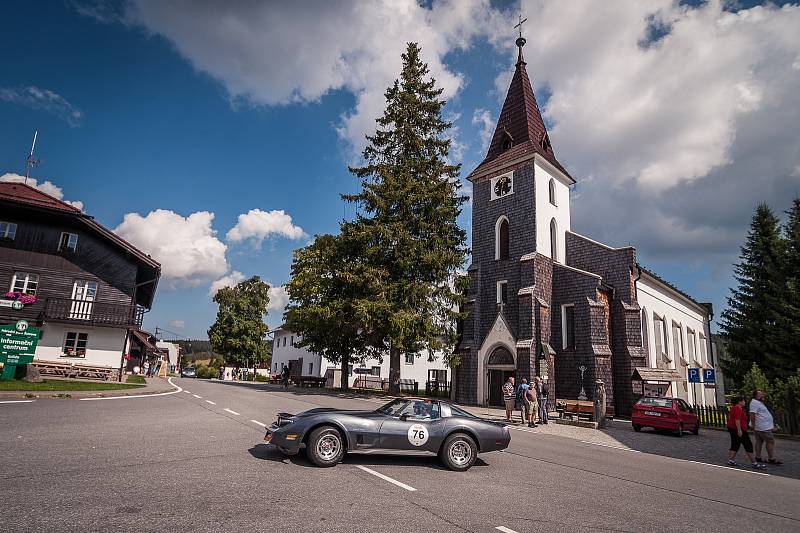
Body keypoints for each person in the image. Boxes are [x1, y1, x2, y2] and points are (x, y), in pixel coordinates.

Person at [726, 396, 765, 469]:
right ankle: (754, 463)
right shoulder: (738, 408)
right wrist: (739, 430)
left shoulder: (735, 407)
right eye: (743, 401)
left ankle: (731, 460)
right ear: (739, 401)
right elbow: (737, 420)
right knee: (747, 444)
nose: (744, 402)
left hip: (732, 428)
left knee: (735, 444)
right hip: (737, 429)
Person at [750, 390, 782, 465]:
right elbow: (752, 415)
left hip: (761, 426)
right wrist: (754, 425)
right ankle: (771, 458)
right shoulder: (754, 403)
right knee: (770, 441)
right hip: (762, 427)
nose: (763, 395)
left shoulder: (758, 402)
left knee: (759, 441)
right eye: (761, 394)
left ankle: (758, 457)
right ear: (756, 396)